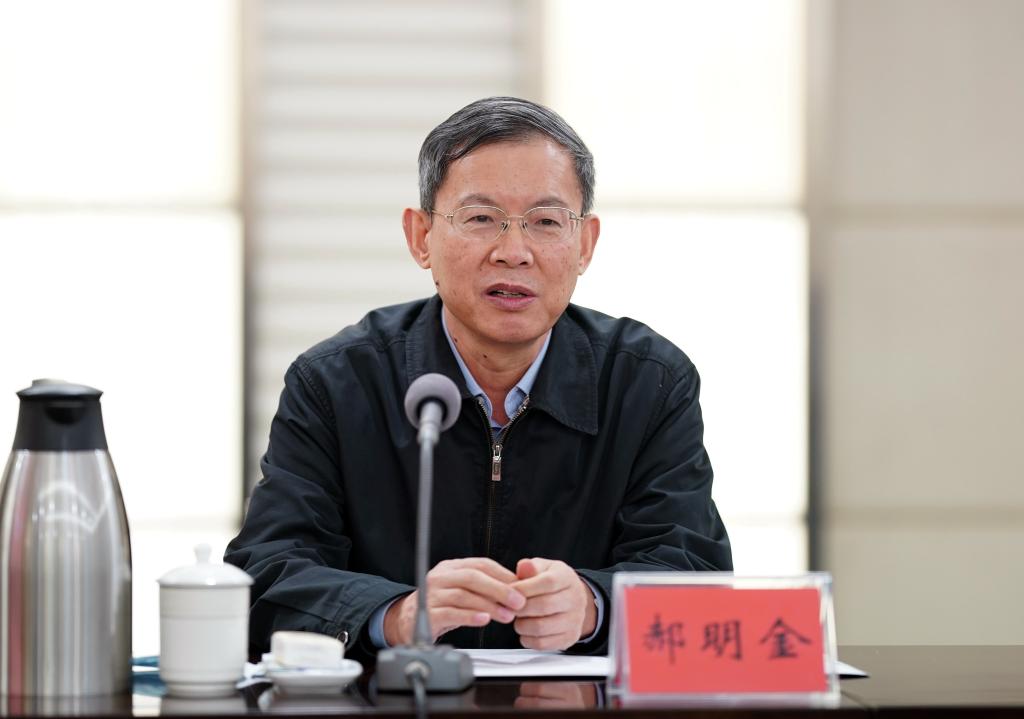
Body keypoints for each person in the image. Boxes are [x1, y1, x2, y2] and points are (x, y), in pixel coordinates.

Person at [225, 96, 731, 661]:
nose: (513, 253)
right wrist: (396, 615)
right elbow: (266, 573)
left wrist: (595, 607)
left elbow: (695, 572)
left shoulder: (647, 383)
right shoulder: (337, 384)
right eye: (481, 218)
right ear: (421, 237)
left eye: (546, 222)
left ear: (585, 245)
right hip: (392, 699)